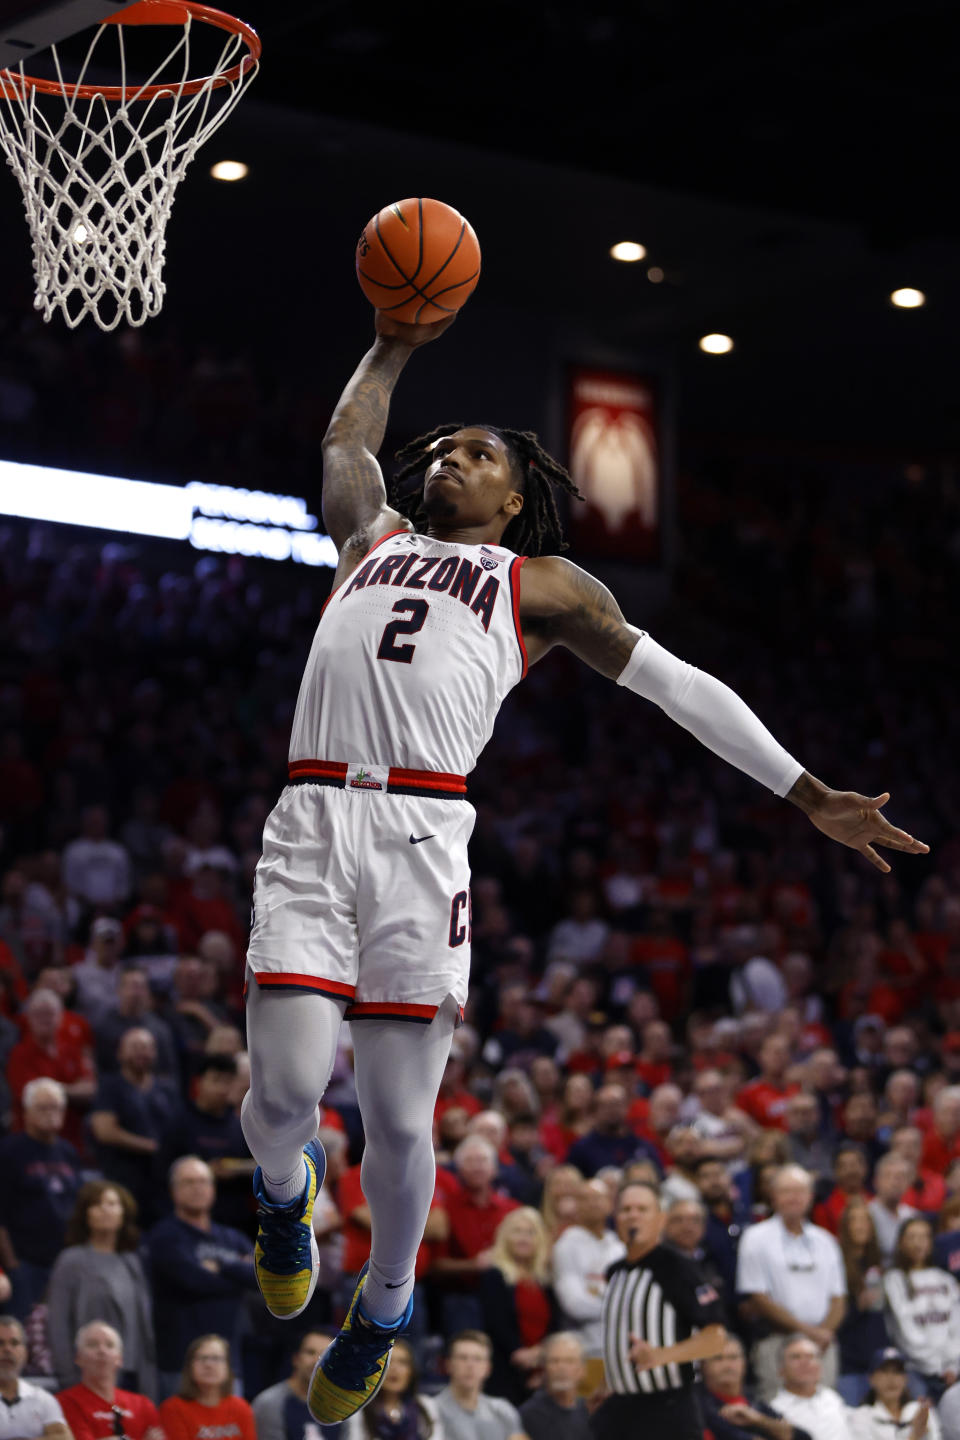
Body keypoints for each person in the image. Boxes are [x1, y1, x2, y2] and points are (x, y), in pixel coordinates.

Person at [237, 308, 928, 1427]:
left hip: (422, 838)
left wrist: (809, 795)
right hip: (312, 819)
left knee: (401, 1122)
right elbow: (344, 444)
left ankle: (388, 1303)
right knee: (280, 1095)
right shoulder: (367, 535)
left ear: (514, 496)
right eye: (441, 446)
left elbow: (683, 688)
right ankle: (281, 1197)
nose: (447, 456)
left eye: (477, 452)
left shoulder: (541, 587)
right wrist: (393, 343)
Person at [594, 1180, 726, 1440]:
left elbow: (715, 1339)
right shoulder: (614, 1272)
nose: (633, 1215)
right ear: (615, 1219)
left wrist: (661, 1355)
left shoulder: (678, 1268)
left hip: (670, 1407)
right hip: (624, 1406)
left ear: (661, 1220)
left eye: (642, 1209)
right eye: (626, 1209)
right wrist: (609, 1380)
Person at [143, 1155, 258, 1396]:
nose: (198, 1188)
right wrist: (238, 1270)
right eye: (189, 1182)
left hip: (228, 1360)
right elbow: (194, 1280)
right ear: (174, 1190)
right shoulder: (165, 1237)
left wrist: (222, 1267)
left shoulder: (232, 1237)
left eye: (203, 1181)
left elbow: (260, 1278)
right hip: (180, 1361)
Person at [736, 1165, 848, 1400]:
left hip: (822, 1346)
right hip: (777, 1342)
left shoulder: (826, 1240)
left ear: (810, 1196)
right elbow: (759, 1297)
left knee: (825, 1408)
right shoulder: (755, 1237)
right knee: (778, 1413)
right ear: (773, 1196)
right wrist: (809, 1333)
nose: (793, 1197)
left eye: (800, 1191)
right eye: (786, 1191)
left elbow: (838, 1297)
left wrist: (823, 1333)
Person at [46, 1180, 156, 1397]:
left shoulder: (132, 1261)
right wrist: (68, 1378)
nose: (105, 1209)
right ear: (85, 1214)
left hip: (132, 1374)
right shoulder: (71, 1260)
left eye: (112, 1203)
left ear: (123, 1213)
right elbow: (57, 1324)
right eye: (97, 1204)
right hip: (87, 1377)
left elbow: (142, 1326)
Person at [0, 1077, 82, 1320]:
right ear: (26, 1113)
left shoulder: (68, 1152)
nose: (51, 1113)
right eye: (42, 1107)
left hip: (64, 1263)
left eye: (56, 1106)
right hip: (26, 1263)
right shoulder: (9, 1151)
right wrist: (13, 1265)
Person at [88, 1027, 179, 1223]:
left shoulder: (168, 1089)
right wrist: (152, 1147)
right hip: (123, 1179)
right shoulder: (109, 1086)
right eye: (135, 1047)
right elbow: (104, 1131)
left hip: (162, 1184)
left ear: (155, 1053)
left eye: (146, 1047)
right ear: (120, 1053)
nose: (141, 1052)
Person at [479, 1208, 553, 1406]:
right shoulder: (495, 1275)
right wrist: (518, 1352)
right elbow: (496, 1321)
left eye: (530, 1232)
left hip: (542, 1367)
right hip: (505, 1365)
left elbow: (555, 1321)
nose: (523, 1238)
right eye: (517, 1231)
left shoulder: (545, 1280)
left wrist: (542, 1354)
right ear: (505, 1237)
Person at [882, 1218, 960, 1399]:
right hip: (915, 1370)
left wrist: (951, 1365)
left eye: (924, 1237)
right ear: (901, 1242)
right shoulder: (894, 1280)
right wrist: (936, 1366)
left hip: (951, 1369)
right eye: (912, 1237)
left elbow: (956, 1325)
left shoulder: (945, 1280)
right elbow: (906, 1330)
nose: (918, 1243)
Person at [551, 1178, 624, 1357]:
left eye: (599, 1198)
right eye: (585, 1198)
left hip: (620, 1347)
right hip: (584, 1349)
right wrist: (620, 1307)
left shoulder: (619, 1248)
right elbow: (575, 1305)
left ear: (610, 1204)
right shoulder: (565, 1245)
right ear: (576, 1205)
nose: (593, 1203)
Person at [57, 1321, 164, 1440]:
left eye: (109, 1345)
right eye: (92, 1344)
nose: (102, 1351)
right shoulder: (65, 1402)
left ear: (120, 1359)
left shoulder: (143, 1405)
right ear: (78, 1358)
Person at [701, 1333, 815, 1440]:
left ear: (744, 1363)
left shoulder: (754, 1401)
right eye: (718, 1358)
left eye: (733, 1357)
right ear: (703, 1365)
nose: (727, 1365)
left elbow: (803, 1437)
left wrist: (758, 1420)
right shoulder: (698, 1404)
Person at [835, 1201, 889, 1406]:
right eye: (854, 1220)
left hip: (880, 1363)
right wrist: (858, 1307)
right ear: (845, 1227)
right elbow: (833, 1319)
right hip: (850, 1363)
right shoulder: (836, 1264)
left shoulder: (877, 1263)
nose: (860, 1226)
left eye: (865, 1220)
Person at [158, 1334, 255, 1440]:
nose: (209, 1364)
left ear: (228, 1366)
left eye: (216, 1358)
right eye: (202, 1358)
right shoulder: (173, 1409)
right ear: (189, 1366)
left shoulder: (241, 1408)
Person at [340, 1339, 441, 1438]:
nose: (394, 1369)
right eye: (388, 1361)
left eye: (403, 1362)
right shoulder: (359, 1411)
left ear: (411, 1371)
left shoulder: (427, 1405)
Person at [252, 1330, 344, 1440]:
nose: (317, 1361)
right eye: (310, 1352)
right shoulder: (269, 1402)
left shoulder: (346, 1402)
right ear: (296, 1359)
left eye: (325, 1354)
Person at [433, 1331, 525, 1440]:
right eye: (463, 1358)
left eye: (477, 1359)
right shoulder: (433, 1410)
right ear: (448, 1365)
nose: (470, 1365)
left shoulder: (503, 1409)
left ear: (488, 1368)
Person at [0, 1314, 71, 1440]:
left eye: (14, 1343)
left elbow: (64, 1437)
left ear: (26, 1353)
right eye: (0, 1343)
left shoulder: (42, 1399)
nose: (7, 1349)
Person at [770, 1335, 854, 1440]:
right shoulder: (776, 1411)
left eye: (811, 1357)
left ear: (820, 1366)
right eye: (796, 1357)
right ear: (781, 1369)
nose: (805, 1363)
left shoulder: (832, 1397)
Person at [850, 1347, 940, 1440]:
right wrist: (914, 1437)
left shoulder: (920, 1411)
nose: (891, 1379)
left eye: (897, 1372)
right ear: (871, 1379)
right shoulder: (861, 1417)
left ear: (905, 1378)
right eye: (884, 1371)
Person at [518, 1332, 591, 1440]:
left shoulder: (591, 1412)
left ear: (582, 1370)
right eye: (554, 1361)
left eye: (569, 1361)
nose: (561, 1367)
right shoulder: (528, 1415)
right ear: (543, 1369)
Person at [867, 1156, 918, 1266]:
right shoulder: (867, 1214)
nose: (895, 1182)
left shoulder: (912, 1216)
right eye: (888, 1176)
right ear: (876, 1182)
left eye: (900, 1177)